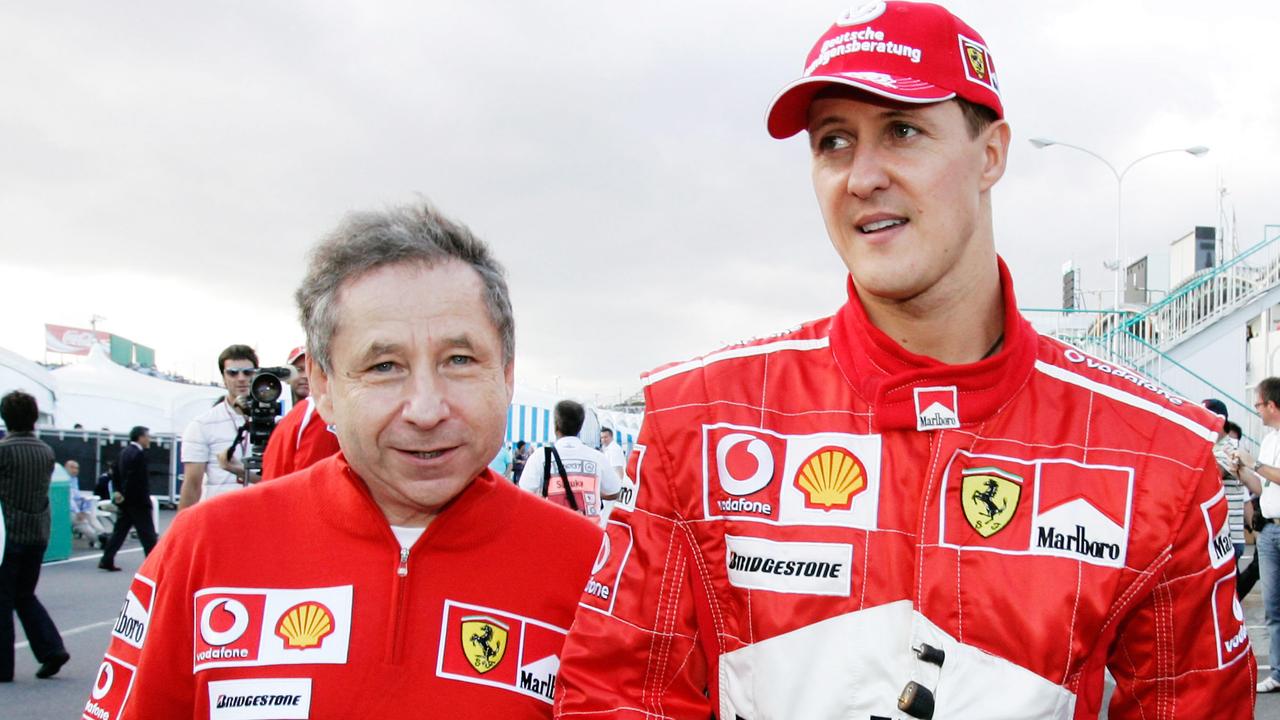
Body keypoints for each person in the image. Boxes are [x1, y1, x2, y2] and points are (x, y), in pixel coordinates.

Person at [553, 4, 1254, 717]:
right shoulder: (699, 419)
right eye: (833, 140)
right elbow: (616, 696)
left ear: (991, 154)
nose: (861, 177)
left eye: (903, 130)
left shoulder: (1158, 455)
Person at [85, 203, 602, 719]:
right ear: (325, 386)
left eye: (459, 360)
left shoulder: (597, 573)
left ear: (506, 375)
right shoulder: (202, 549)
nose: (426, 409)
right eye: (384, 366)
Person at [0, 391, 69, 681]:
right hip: (37, 533)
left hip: (8, 534)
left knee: (2, 600)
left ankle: (3, 666)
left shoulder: (4, 450)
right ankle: (51, 648)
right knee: (25, 595)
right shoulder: (45, 451)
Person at [1232, 378, 1280, 693]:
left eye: (1260, 404)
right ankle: (1277, 672)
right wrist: (1241, 472)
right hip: (1269, 530)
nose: (1257, 410)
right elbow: (1264, 486)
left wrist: (1256, 464)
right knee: (1273, 607)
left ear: (1273, 404)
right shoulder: (1269, 440)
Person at [178, 344, 257, 509]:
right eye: (233, 373)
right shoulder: (202, 425)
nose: (241, 378)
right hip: (219, 517)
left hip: (263, 517)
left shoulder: (278, 424)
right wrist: (181, 532)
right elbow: (192, 485)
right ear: (223, 378)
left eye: (248, 372)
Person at [518, 400, 621, 520]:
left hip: (552, 531)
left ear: (556, 425)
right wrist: (593, 492)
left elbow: (524, 494)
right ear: (580, 426)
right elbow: (614, 491)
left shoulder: (541, 456)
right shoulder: (597, 457)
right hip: (589, 533)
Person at [260, 346, 341, 480]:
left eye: (310, 368)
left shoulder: (320, 411)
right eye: (298, 370)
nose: (304, 375)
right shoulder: (290, 413)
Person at [99, 426, 160, 572]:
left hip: (126, 501)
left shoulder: (124, 452)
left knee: (119, 532)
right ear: (141, 437)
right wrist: (129, 495)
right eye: (147, 436)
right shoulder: (138, 454)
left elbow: (115, 473)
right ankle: (154, 566)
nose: (149, 439)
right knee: (148, 535)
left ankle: (106, 559)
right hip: (138, 501)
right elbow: (135, 480)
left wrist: (118, 492)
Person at [67, 460, 110, 549]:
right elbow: (69, 499)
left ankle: (102, 533)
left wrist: (84, 510)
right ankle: (98, 539)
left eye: (77, 468)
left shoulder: (75, 480)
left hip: (78, 507)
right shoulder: (66, 480)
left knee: (91, 516)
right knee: (81, 522)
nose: (75, 470)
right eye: (72, 467)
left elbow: (78, 497)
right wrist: (78, 512)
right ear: (66, 468)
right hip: (68, 509)